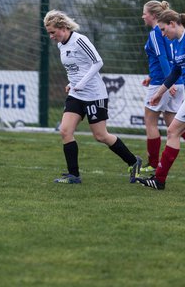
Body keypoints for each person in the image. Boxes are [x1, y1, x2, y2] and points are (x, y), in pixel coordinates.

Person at [43, 9, 142, 184]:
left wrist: (82, 83)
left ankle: (133, 161)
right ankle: (74, 176)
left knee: (101, 136)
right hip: (76, 95)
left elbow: (98, 62)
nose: (51, 36)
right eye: (49, 33)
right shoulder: (61, 45)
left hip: (94, 95)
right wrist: (72, 84)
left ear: (63, 27)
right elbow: (76, 68)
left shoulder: (80, 40)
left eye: (53, 32)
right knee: (65, 131)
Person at [137, 9, 185, 190]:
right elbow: (176, 72)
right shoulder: (179, 43)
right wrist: (159, 93)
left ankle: (159, 179)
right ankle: (159, 179)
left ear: (173, 23)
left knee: (173, 131)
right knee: (173, 131)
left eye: (164, 30)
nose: (163, 34)